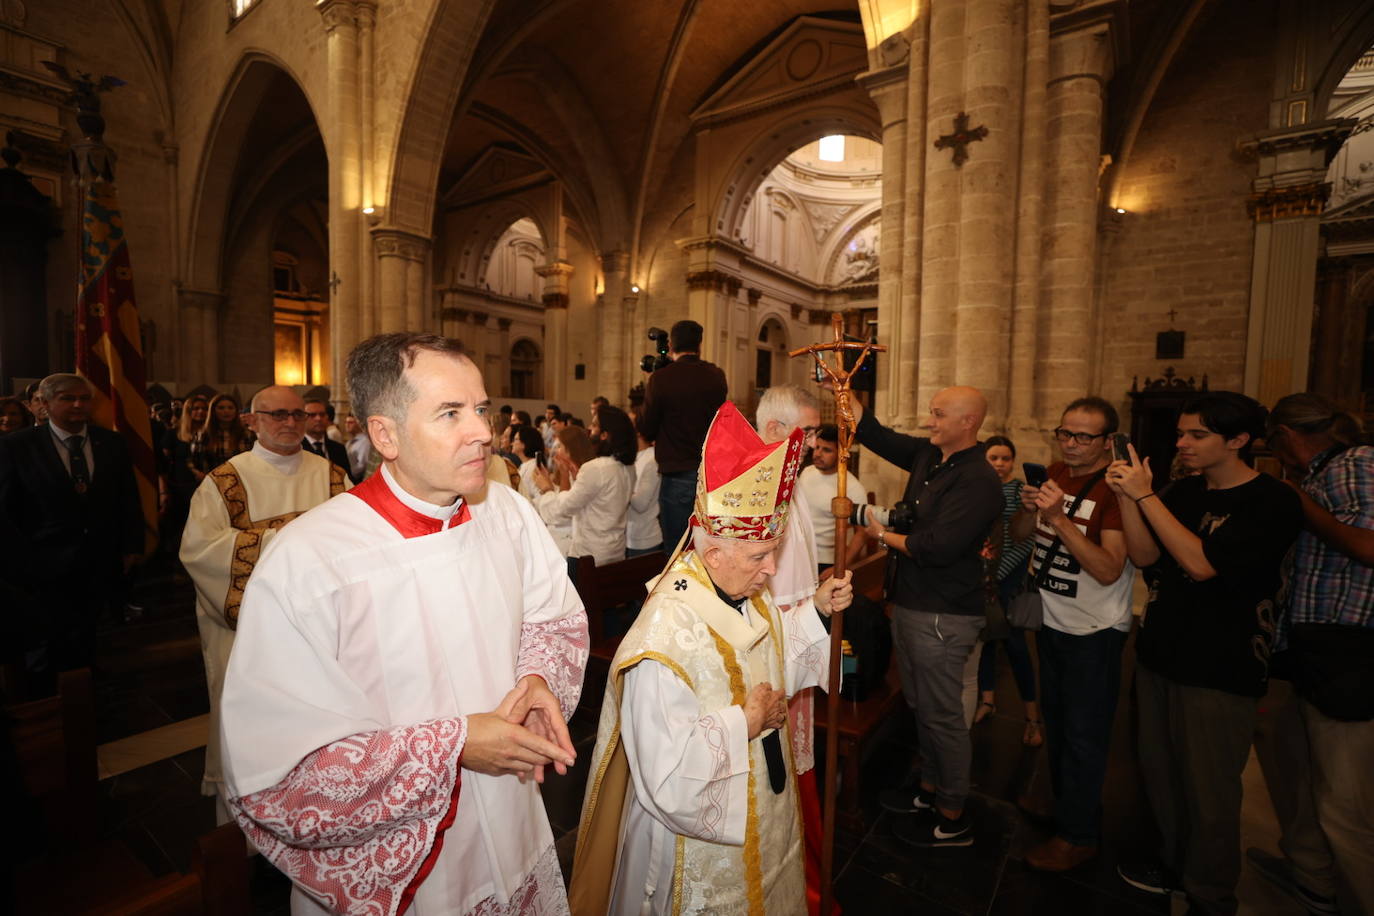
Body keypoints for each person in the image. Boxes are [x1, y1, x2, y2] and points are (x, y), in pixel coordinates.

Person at [220, 333, 588, 915]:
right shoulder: (308, 561)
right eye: (450, 413)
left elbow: (553, 618)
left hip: (514, 817)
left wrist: (539, 679)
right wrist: (455, 745)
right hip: (410, 869)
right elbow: (280, 778)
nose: (483, 432)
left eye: (482, 409)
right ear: (384, 434)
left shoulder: (508, 512)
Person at [569, 401, 851, 916]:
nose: (771, 569)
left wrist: (816, 610)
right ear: (713, 553)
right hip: (695, 843)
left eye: (773, 551)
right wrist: (742, 722)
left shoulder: (746, 591)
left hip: (767, 803)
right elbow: (663, 771)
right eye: (760, 555)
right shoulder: (663, 641)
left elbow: (770, 656)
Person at [1108, 392, 1302, 915]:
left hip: (1221, 665)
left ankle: (1211, 894)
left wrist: (1146, 497)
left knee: (1210, 790)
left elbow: (1201, 564)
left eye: (1197, 435)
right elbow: (1148, 556)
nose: (1182, 443)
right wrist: (1128, 498)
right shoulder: (1186, 492)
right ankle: (1174, 867)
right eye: (1181, 433)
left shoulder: (1273, 501)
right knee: (1162, 775)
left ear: (1238, 440)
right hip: (1161, 652)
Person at [179, 385, 350, 822]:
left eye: (297, 414)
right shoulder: (226, 481)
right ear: (252, 421)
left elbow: (358, 545)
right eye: (277, 415)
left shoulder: (332, 477)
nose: (290, 423)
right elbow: (199, 553)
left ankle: (318, 815)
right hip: (249, 638)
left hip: (321, 634)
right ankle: (252, 830)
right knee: (255, 732)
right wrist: (285, 541)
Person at [857, 386, 1003, 847]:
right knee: (920, 705)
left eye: (939, 415)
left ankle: (953, 810)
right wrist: (842, 387)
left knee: (942, 716)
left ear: (968, 423)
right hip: (913, 603)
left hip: (944, 612)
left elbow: (936, 548)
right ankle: (929, 787)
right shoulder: (930, 456)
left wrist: (881, 536)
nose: (929, 422)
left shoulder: (979, 478)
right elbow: (874, 434)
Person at [1250, 393, 1374, 916]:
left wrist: (1297, 502)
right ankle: (1312, 878)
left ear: (1287, 436)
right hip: (1310, 648)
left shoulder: (1356, 463)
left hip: (1347, 651)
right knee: (1295, 770)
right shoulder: (1327, 470)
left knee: (1342, 800)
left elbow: (1369, 546)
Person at [1009, 399, 1133, 872]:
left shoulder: (1114, 490)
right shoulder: (1057, 471)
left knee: (1084, 734)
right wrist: (1028, 509)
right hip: (1054, 619)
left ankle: (1079, 836)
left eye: (1084, 437)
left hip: (1094, 630)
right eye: (1066, 433)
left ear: (1107, 442)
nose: (1072, 444)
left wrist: (1060, 518)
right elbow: (1024, 535)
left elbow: (1108, 568)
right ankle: (1066, 808)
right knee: (1058, 723)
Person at [0, 373, 143, 694]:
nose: (78, 405)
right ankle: (48, 697)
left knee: (88, 626)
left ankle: (83, 679)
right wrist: (19, 562)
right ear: (45, 404)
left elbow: (127, 497)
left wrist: (132, 544)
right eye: (67, 398)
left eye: (83, 398)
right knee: (45, 639)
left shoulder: (112, 442)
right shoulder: (16, 447)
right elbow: (5, 510)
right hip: (41, 562)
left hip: (98, 556)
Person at [637, 319, 729, 552]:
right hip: (711, 475)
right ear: (699, 344)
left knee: (678, 548)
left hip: (677, 472)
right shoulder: (715, 375)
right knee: (709, 545)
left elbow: (646, 427)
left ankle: (679, 588)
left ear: (670, 343)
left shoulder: (661, 379)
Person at [973, 435, 1039, 744]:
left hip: (1006, 579)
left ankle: (1032, 717)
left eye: (1005, 458)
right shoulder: (980, 489)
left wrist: (996, 574)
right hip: (986, 577)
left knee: (1015, 647)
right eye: (993, 458)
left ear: (1013, 461)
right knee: (986, 640)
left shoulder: (1018, 491)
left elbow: (1022, 540)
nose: (999, 464)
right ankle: (987, 700)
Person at [534, 406, 635, 569]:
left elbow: (562, 509)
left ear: (605, 435)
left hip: (589, 556)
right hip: (615, 552)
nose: (589, 429)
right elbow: (597, 502)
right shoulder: (627, 467)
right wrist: (573, 477)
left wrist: (547, 489)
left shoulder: (596, 468)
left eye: (594, 426)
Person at [796, 423, 867, 573]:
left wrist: (839, 568)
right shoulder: (807, 472)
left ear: (841, 453)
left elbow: (861, 533)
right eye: (817, 447)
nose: (818, 454)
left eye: (827, 450)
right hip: (798, 554)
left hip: (825, 562)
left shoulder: (852, 488)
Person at [192, 392, 250, 473]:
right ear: (213, 411)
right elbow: (197, 460)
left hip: (240, 479)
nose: (226, 411)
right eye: (221, 408)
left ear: (236, 411)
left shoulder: (246, 434)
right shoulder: (203, 434)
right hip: (211, 480)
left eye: (230, 408)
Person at [626, 427, 661, 557]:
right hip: (629, 536)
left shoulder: (652, 460)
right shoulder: (634, 457)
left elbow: (641, 504)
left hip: (646, 538)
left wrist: (623, 488)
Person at [302, 398, 355, 482]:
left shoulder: (338, 449)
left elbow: (348, 479)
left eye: (322, 414)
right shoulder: (297, 449)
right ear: (302, 419)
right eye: (312, 415)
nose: (318, 418)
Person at [513, 424, 546, 502]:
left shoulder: (534, 467)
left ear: (524, 443)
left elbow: (540, 496)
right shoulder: (525, 465)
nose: (512, 443)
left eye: (516, 439)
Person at [343, 412, 371, 482]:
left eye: (351, 422)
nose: (347, 425)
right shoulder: (349, 442)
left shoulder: (365, 442)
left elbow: (362, 465)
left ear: (359, 424)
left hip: (358, 480)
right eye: (346, 422)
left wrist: (349, 474)